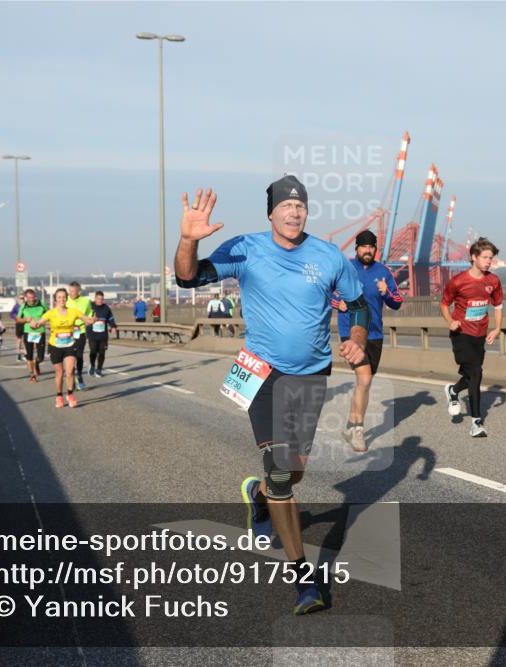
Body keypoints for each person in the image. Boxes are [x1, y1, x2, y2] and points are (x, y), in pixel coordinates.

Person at [174, 176, 368, 615]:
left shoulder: (328, 256)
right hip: (261, 372)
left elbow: (357, 304)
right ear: (271, 212)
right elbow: (188, 278)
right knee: (282, 471)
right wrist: (187, 241)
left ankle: (258, 496)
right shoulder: (246, 248)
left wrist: (355, 336)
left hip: (311, 376)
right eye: (285, 205)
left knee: (292, 473)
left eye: (300, 205)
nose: (294, 212)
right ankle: (304, 579)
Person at [332, 229, 403, 452]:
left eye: (371, 247)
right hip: (351, 333)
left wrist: (386, 293)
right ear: (357, 249)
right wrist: (337, 303)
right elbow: (325, 291)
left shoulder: (383, 272)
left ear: (375, 250)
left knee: (365, 382)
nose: (367, 250)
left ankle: (351, 424)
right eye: (364, 247)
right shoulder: (345, 268)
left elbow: (398, 301)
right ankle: (359, 431)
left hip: (375, 335)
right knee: (364, 378)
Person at [440, 237, 504, 438]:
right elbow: (444, 304)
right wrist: (450, 320)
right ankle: (477, 422)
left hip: (480, 334)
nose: (488, 261)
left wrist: (497, 328)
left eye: (491, 258)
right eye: (485, 257)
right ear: (474, 257)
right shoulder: (458, 281)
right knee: (476, 374)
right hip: (461, 333)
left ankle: (453, 391)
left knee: (472, 374)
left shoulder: (493, 280)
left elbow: (498, 306)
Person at [29, 288, 96, 408]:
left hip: (70, 344)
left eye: (64, 297)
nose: (62, 299)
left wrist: (92, 320)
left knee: (70, 371)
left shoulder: (73, 311)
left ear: (67, 298)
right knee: (59, 373)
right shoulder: (51, 313)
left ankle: (70, 394)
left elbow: (87, 319)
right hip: (55, 345)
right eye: (59, 297)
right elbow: (39, 323)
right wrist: (34, 324)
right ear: (55, 299)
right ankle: (59, 396)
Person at [66, 281, 93, 391]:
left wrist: (89, 320)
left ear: (79, 291)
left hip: (80, 331)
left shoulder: (86, 301)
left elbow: (90, 313)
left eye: (73, 291)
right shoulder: (65, 300)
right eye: (70, 291)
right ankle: (70, 377)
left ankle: (79, 376)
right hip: (67, 332)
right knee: (69, 356)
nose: (71, 293)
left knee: (79, 355)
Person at [19, 289, 49, 382]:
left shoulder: (41, 303)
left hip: (40, 332)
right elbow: (18, 319)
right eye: (29, 298)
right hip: (28, 332)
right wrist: (26, 320)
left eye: (33, 297)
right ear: (26, 298)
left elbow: (49, 314)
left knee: (41, 357)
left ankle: (37, 363)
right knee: (29, 355)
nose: (31, 299)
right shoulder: (24, 306)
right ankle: (32, 374)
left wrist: (43, 321)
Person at [87, 291, 117, 377]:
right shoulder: (90, 306)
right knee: (93, 351)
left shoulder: (106, 308)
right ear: (95, 298)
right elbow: (84, 316)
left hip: (103, 334)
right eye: (98, 299)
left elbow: (110, 318)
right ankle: (92, 366)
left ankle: (99, 369)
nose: (100, 301)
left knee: (102, 352)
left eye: (102, 299)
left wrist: (113, 326)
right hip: (92, 333)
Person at [11, 295, 25, 361]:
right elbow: (12, 314)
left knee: (26, 340)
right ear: (18, 299)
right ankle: (18, 354)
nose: (22, 299)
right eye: (21, 298)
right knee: (19, 339)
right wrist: (16, 317)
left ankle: (26, 354)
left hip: (26, 324)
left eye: (23, 298)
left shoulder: (26, 305)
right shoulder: (16, 306)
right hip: (19, 324)